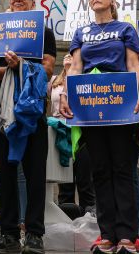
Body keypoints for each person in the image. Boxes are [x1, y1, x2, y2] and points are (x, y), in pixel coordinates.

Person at [58, 0, 139, 254]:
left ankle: (128, 235)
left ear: (112, 0)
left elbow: (134, 63)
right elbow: (75, 67)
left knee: (122, 168)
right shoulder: (81, 32)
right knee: (100, 170)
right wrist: (64, 94)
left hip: (121, 102)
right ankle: (107, 234)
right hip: (89, 104)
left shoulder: (125, 29)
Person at [0, 0, 56, 254]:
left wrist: (21, 66)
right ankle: (10, 235)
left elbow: (48, 69)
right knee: (6, 175)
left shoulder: (43, 32)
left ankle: (35, 234)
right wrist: (14, 70)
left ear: (33, 2)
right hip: (3, 115)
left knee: (35, 174)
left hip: (33, 113)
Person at [49, 55, 95, 216]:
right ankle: (67, 219)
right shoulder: (54, 80)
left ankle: (88, 217)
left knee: (85, 179)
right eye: (67, 54)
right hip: (60, 134)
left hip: (80, 132)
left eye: (73, 55)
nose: (68, 55)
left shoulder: (84, 79)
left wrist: (71, 72)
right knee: (65, 183)